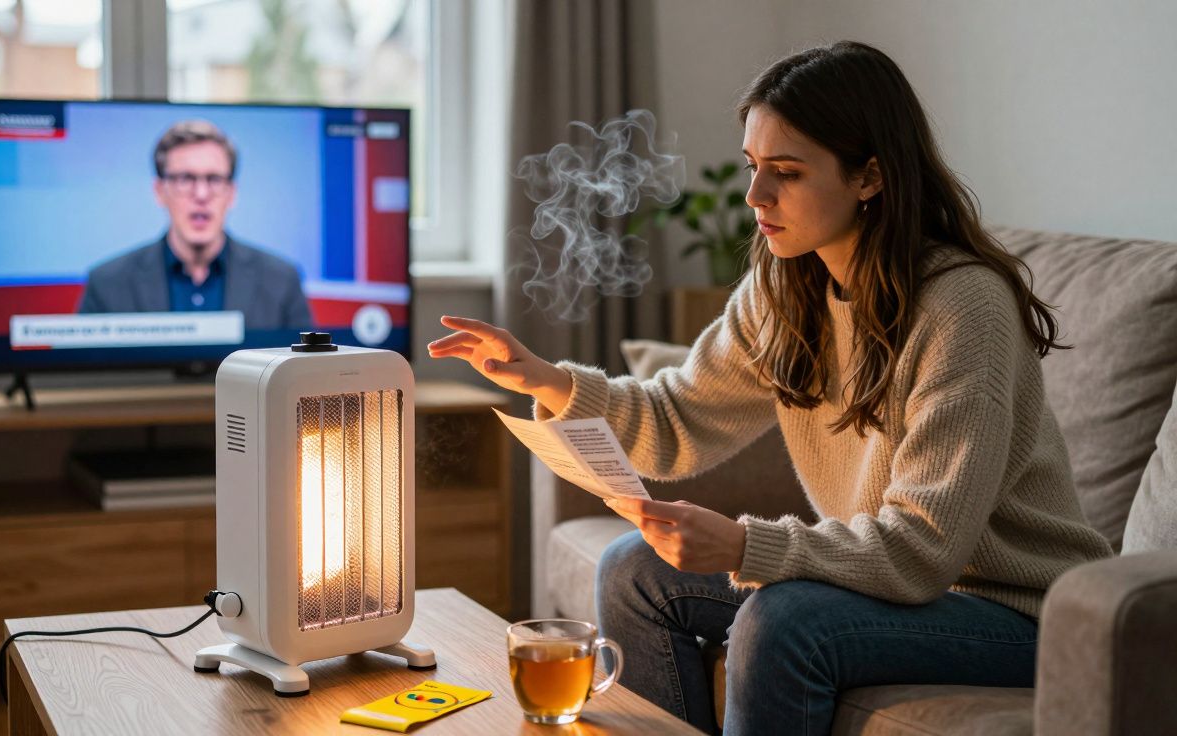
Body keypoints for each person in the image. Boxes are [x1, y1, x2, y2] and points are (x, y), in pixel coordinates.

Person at [427, 41, 1113, 735]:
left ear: (870, 177)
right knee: (633, 570)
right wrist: (546, 378)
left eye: (785, 172)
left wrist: (743, 547)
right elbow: (674, 424)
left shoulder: (964, 309)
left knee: (785, 620)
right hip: (904, 591)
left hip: (1019, 612)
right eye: (754, 166)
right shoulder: (787, 289)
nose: (755, 196)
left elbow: (924, 549)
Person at [78, 120, 311, 331]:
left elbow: (304, 373)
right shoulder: (107, 284)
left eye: (214, 179)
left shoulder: (281, 280)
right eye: (184, 179)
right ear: (160, 191)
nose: (201, 194)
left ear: (232, 193)